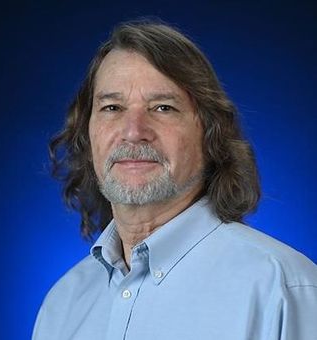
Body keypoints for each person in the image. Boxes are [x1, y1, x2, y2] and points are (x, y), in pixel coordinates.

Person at [32, 20, 317, 340]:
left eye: (163, 107)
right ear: (89, 132)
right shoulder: (61, 306)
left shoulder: (282, 289)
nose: (133, 131)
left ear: (210, 134)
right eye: (112, 107)